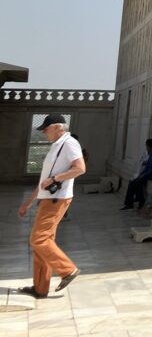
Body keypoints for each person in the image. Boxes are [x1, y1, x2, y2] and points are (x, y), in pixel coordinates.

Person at [16, 114, 85, 299]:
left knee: (38, 239)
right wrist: (27, 203)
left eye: (46, 129)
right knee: (43, 244)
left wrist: (56, 179)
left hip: (57, 200)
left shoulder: (69, 143)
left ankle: (68, 270)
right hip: (48, 199)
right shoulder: (57, 145)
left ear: (57, 127)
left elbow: (80, 168)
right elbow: (43, 181)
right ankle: (40, 288)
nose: (44, 133)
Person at [121, 138, 152, 210]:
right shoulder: (151, 154)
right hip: (147, 173)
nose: (146, 148)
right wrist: (142, 174)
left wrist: (144, 175)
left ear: (149, 146)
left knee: (135, 183)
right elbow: (148, 167)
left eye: (147, 146)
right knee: (132, 182)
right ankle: (137, 200)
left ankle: (135, 201)